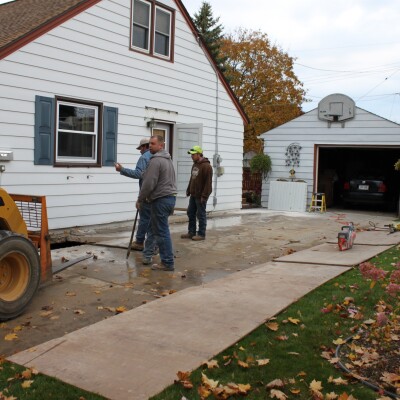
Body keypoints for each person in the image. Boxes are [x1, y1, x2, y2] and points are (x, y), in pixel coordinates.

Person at [138, 135, 177, 271]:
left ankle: (167, 262)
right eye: (149, 144)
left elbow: (148, 183)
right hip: (170, 198)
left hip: (161, 199)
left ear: (161, 146)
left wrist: (140, 199)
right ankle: (167, 260)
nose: (150, 146)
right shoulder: (168, 160)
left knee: (161, 232)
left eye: (153, 144)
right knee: (162, 231)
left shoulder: (156, 161)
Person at [115, 138, 151, 251]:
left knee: (144, 218)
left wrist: (122, 169)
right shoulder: (157, 157)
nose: (140, 150)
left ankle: (140, 242)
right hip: (156, 193)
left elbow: (138, 174)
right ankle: (153, 244)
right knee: (152, 220)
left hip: (146, 193)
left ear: (145, 146)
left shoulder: (144, 157)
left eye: (140, 148)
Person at [181, 145, 213, 241]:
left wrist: (204, 196)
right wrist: (188, 190)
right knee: (190, 212)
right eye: (191, 155)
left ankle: (201, 234)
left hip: (201, 196)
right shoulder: (195, 165)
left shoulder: (207, 167)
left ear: (199, 154)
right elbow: (192, 178)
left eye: (193, 154)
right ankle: (191, 232)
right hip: (193, 194)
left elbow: (208, 183)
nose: (191, 156)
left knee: (201, 214)